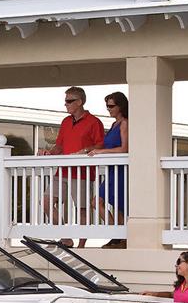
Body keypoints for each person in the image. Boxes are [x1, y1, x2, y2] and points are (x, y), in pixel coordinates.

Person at [38, 86, 104, 247]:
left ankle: (81, 246)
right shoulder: (66, 122)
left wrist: (85, 150)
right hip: (62, 170)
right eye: (65, 101)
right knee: (46, 201)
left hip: (82, 172)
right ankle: (66, 238)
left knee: (81, 208)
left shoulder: (94, 122)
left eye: (69, 101)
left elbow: (100, 144)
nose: (65, 104)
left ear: (79, 102)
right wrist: (49, 153)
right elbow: (59, 146)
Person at [88, 91, 128, 248]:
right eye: (107, 106)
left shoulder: (125, 123)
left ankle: (119, 238)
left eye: (111, 106)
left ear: (120, 106)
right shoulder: (113, 125)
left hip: (121, 171)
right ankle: (117, 235)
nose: (108, 109)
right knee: (97, 202)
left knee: (118, 205)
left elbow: (124, 149)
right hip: (111, 170)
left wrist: (101, 152)